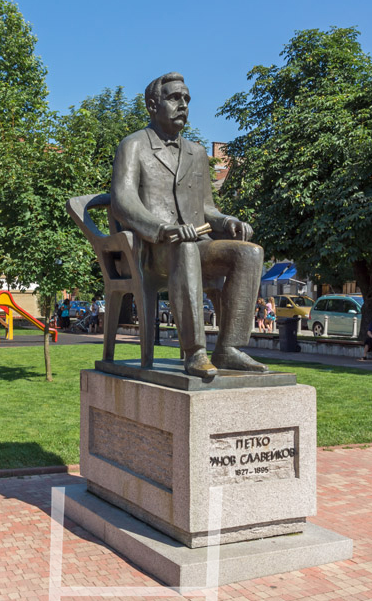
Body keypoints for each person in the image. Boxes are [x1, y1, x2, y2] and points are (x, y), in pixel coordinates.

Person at [111, 71, 267, 378]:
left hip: (199, 243)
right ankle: (195, 352)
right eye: (173, 98)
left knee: (249, 253)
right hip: (154, 248)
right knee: (183, 247)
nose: (182, 104)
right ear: (152, 105)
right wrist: (162, 228)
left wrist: (228, 220)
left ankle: (229, 348)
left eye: (186, 99)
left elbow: (207, 207)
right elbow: (122, 201)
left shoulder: (197, 153)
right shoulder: (133, 146)